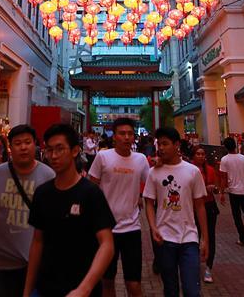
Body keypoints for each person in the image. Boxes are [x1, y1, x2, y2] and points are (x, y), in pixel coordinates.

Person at [25, 124, 116, 297]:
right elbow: (37, 242)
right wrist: (27, 290)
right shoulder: (42, 193)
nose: (53, 156)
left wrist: (85, 288)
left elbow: (107, 245)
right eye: (49, 150)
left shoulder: (91, 193)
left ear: (75, 151)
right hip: (46, 287)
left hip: (81, 289)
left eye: (60, 149)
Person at [0, 125, 55, 297]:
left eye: (28, 142)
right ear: (10, 147)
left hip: (33, 264)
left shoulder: (48, 176)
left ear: (35, 145)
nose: (23, 147)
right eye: (17, 143)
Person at [89, 117, 151, 297]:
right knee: (107, 283)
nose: (126, 137)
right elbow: (91, 190)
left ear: (134, 137)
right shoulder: (102, 157)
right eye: (122, 133)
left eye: (130, 134)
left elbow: (152, 186)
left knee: (133, 285)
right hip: (105, 230)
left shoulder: (141, 160)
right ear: (114, 136)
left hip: (132, 229)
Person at [144, 127, 208, 297]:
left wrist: (205, 239)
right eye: (159, 144)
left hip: (189, 238)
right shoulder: (153, 172)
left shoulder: (192, 171)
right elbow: (149, 203)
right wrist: (153, 227)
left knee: (192, 290)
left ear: (177, 145)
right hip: (164, 239)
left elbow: (200, 206)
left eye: (165, 144)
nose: (161, 148)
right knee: (170, 289)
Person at [218, 137, 244, 250]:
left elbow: (223, 178)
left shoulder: (224, 160)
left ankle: (242, 238)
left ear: (225, 147)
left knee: (237, 216)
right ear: (235, 145)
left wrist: (222, 193)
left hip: (233, 192)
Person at [191, 146, 219, 284]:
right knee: (193, 237)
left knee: (210, 237)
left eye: (202, 154)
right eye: (198, 154)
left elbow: (217, 187)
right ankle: (193, 265)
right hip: (193, 208)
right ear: (193, 156)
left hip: (209, 207)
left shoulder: (211, 171)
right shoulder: (189, 171)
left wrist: (214, 188)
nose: (201, 156)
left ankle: (209, 267)